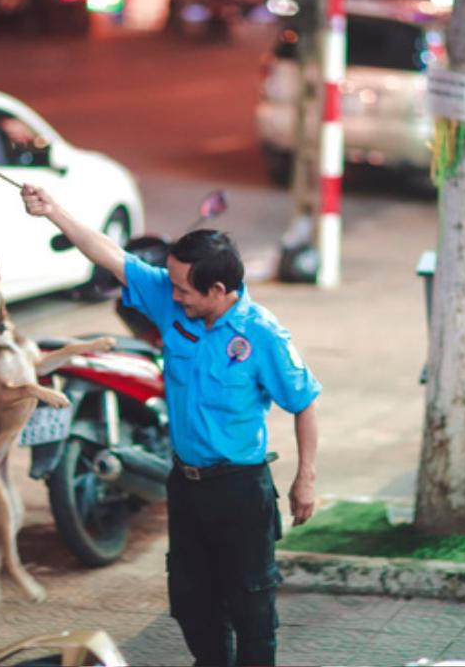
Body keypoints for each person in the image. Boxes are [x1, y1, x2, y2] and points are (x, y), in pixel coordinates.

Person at [21, 184, 320, 667]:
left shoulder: (262, 335)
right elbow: (111, 256)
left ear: (217, 291)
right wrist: (53, 211)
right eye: (172, 284)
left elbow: (304, 403)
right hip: (185, 484)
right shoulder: (171, 299)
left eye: (183, 288)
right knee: (191, 602)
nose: (171, 293)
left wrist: (305, 479)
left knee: (252, 611)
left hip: (241, 490)